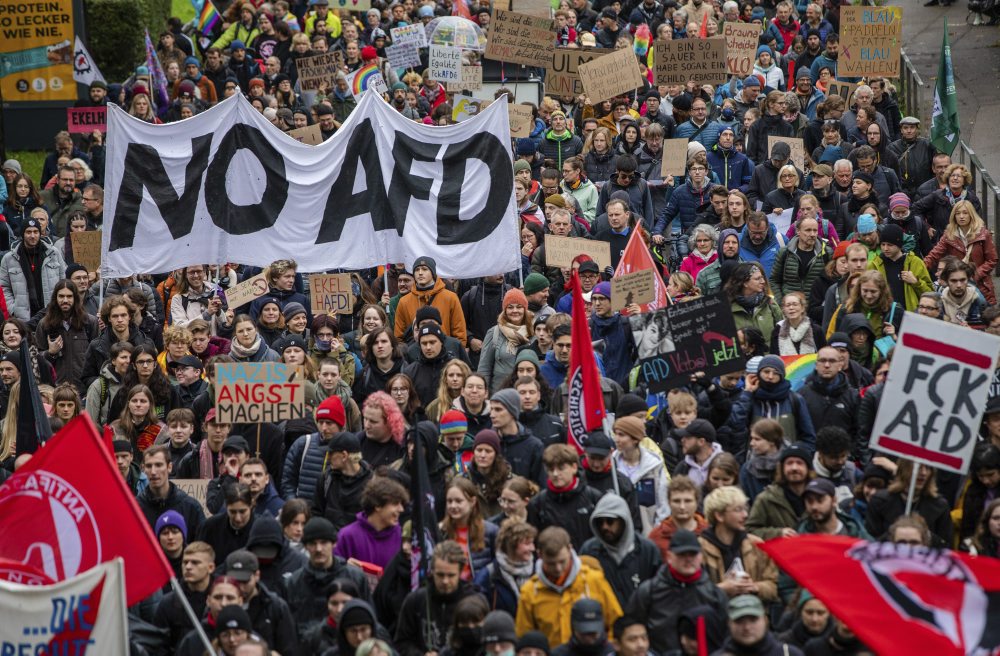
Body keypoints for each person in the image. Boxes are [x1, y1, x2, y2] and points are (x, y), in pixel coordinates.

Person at [624, 529, 728, 655]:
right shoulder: (649, 591)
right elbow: (631, 628)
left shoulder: (715, 594)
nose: (688, 559)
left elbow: (725, 635)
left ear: (701, 556)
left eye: (693, 554)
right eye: (682, 554)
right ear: (669, 557)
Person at [515, 526, 622, 646]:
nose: (558, 569)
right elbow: (524, 638)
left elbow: (616, 623)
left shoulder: (593, 580)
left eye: (562, 561)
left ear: (570, 549)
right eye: (551, 564)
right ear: (539, 555)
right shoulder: (530, 592)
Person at [285, 517, 371, 638]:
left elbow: (370, 619)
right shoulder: (294, 582)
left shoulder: (355, 577)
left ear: (334, 544)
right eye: (313, 543)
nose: (318, 549)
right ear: (305, 546)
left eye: (324, 542)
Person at [395, 540, 484, 656]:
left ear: (460, 572)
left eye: (451, 575)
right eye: (440, 575)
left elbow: (483, 645)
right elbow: (401, 642)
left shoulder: (474, 602)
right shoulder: (416, 600)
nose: (445, 581)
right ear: (432, 571)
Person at [580, 493, 662, 609]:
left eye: (610, 521)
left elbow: (658, 593)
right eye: (600, 522)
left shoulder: (647, 550)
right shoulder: (589, 551)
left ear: (624, 520)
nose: (605, 527)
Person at [698, 486, 778, 604]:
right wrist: (722, 589)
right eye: (738, 510)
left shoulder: (757, 545)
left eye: (745, 509)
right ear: (719, 516)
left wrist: (755, 587)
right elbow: (691, 592)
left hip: (753, 614)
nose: (745, 514)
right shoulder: (699, 549)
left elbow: (774, 586)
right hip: (714, 616)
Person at [527, 444, 605, 549]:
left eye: (561, 468)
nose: (555, 474)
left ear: (574, 467)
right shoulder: (537, 504)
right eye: (551, 469)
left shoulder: (593, 498)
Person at [865, 459, 954, 548]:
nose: (923, 473)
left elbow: (946, 545)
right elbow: (869, 539)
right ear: (904, 469)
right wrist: (895, 534)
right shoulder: (880, 500)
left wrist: (925, 535)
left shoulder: (940, 506)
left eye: (927, 468)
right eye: (919, 467)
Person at [923, 200, 998, 304]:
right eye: (958, 213)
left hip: (980, 283)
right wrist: (920, 267)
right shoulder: (949, 235)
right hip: (957, 283)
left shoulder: (983, 234)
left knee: (984, 312)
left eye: (965, 213)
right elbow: (934, 254)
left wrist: (976, 275)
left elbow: (992, 259)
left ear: (971, 215)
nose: (961, 216)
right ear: (954, 216)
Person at [335, 476, 408, 570]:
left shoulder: (402, 537)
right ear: (377, 505)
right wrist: (345, 567)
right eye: (395, 504)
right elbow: (332, 570)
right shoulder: (347, 536)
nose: (401, 509)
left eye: (401, 504)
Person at [0, 218, 65, 321]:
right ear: (22, 234)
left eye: (36, 232)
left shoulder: (53, 253)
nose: (32, 236)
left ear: (40, 233)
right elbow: (4, 287)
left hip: (51, 314)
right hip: (23, 318)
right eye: (28, 232)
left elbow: (63, 280)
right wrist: (13, 309)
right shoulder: (9, 258)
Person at [394, 256, 467, 346]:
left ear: (433, 273)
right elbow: (398, 337)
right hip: (415, 356)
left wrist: (455, 353)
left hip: (445, 354)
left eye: (425, 269)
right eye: (417, 270)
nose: (420, 273)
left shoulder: (450, 297)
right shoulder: (404, 302)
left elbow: (459, 333)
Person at [746, 444, 813, 540]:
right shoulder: (767, 499)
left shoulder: (818, 498)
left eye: (799, 463)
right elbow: (749, 530)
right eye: (789, 463)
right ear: (781, 468)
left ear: (808, 468)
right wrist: (777, 533)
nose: (794, 468)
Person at [136, 445, 206, 536]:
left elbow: (202, 545)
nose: (153, 472)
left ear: (169, 467)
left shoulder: (191, 507)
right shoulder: (134, 509)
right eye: (149, 466)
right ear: (143, 469)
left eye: (158, 465)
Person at [312, 431, 374, 531]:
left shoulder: (372, 484)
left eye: (331, 454)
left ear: (344, 455)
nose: (327, 458)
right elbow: (316, 513)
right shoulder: (326, 479)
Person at [868, 223, 934, 312]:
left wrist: (916, 282)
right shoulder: (875, 265)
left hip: (909, 318)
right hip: (884, 317)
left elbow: (931, 294)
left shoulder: (915, 263)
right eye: (883, 244)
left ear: (899, 245)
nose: (885, 248)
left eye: (890, 245)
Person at [717, 595, 804, 656]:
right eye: (739, 621)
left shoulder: (789, 654)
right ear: (729, 623)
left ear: (765, 620)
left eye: (753, 620)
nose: (747, 627)